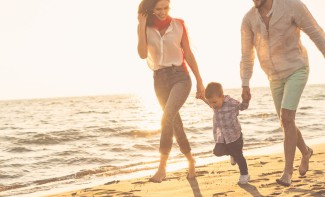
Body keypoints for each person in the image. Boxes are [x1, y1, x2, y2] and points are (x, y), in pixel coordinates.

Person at [240, 0, 325, 186]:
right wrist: (245, 83)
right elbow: (247, 54)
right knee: (286, 122)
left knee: (286, 117)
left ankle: (287, 172)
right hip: (274, 77)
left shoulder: (292, 6)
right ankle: (306, 151)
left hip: (297, 68)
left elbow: (316, 33)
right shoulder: (248, 19)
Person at [137, 0, 205, 183]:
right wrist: (142, 25)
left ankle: (161, 168)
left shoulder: (178, 25)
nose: (162, 12)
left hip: (180, 77)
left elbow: (189, 54)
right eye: (158, 9)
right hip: (159, 80)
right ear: (151, 10)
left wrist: (199, 81)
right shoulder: (144, 27)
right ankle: (191, 160)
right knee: (175, 123)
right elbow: (143, 54)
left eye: (166, 8)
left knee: (166, 118)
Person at [204, 82, 251, 184]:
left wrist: (246, 100)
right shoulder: (214, 103)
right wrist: (202, 98)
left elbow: (243, 107)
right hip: (222, 136)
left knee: (239, 155)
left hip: (235, 136)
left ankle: (245, 174)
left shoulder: (231, 103)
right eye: (210, 103)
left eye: (214, 102)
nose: (212, 106)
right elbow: (209, 102)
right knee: (217, 151)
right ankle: (232, 154)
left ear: (222, 96)